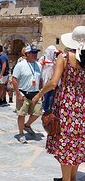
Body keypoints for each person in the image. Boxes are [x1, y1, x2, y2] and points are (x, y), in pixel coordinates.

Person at [32, 26, 85, 181]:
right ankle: (73, 177)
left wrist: (39, 94)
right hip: (82, 106)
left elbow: (54, 82)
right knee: (77, 143)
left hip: (66, 106)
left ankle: (67, 179)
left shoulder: (64, 57)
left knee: (66, 144)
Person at [12, 44, 42, 144]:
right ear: (27, 54)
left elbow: (40, 79)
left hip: (36, 93)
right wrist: (18, 93)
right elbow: (14, 79)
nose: (35, 54)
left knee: (37, 113)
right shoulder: (20, 65)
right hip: (23, 93)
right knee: (22, 114)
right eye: (33, 53)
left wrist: (41, 92)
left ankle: (27, 125)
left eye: (36, 52)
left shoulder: (39, 65)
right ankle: (21, 133)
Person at [38, 45, 58, 111]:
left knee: (51, 95)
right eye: (54, 52)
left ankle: (49, 109)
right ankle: (44, 108)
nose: (55, 54)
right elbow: (39, 67)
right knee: (45, 94)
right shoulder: (43, 58)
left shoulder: (55, 60)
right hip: (44, 79)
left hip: (52, 79)